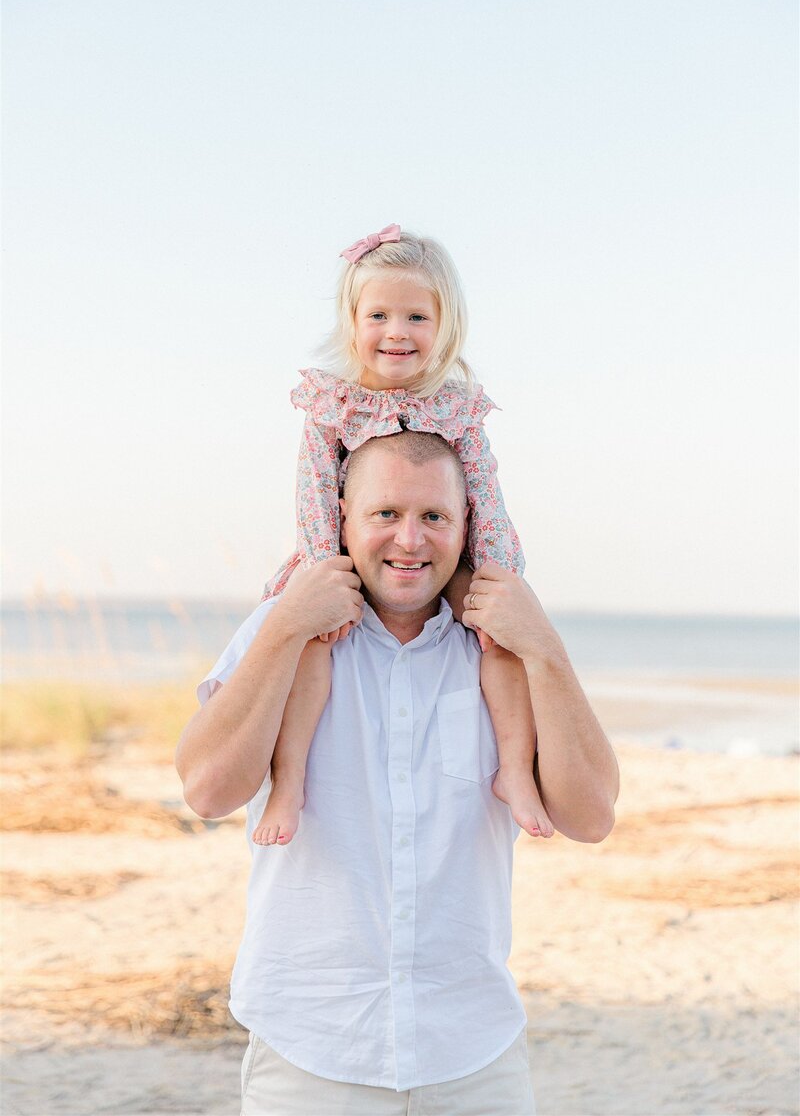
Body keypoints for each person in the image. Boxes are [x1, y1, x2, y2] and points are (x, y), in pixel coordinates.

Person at [175, 430, 619, 1116]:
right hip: (310, 1052)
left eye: (433, 516)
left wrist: (546, 649)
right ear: (343, 518)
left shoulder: (505, 648)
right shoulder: (285, 629)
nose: (409, 540)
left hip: (473, 1056)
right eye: (385, 513)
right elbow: (207, 790)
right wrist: (286, 626)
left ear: (466, 524)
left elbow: (590, 818)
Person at [251, 222, 554, 850]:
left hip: (445, 558)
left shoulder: (456, 407)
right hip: (350, 553)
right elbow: (314, 490)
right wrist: (323, 575)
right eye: (379, 315)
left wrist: (499, 577)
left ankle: (516, 772)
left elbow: (482, 491)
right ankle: (289, 778)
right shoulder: (334, 404)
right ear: (352, 322)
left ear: (444, 327)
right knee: (312, 642)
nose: (397, 332)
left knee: (498, 637)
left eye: (417, 317)